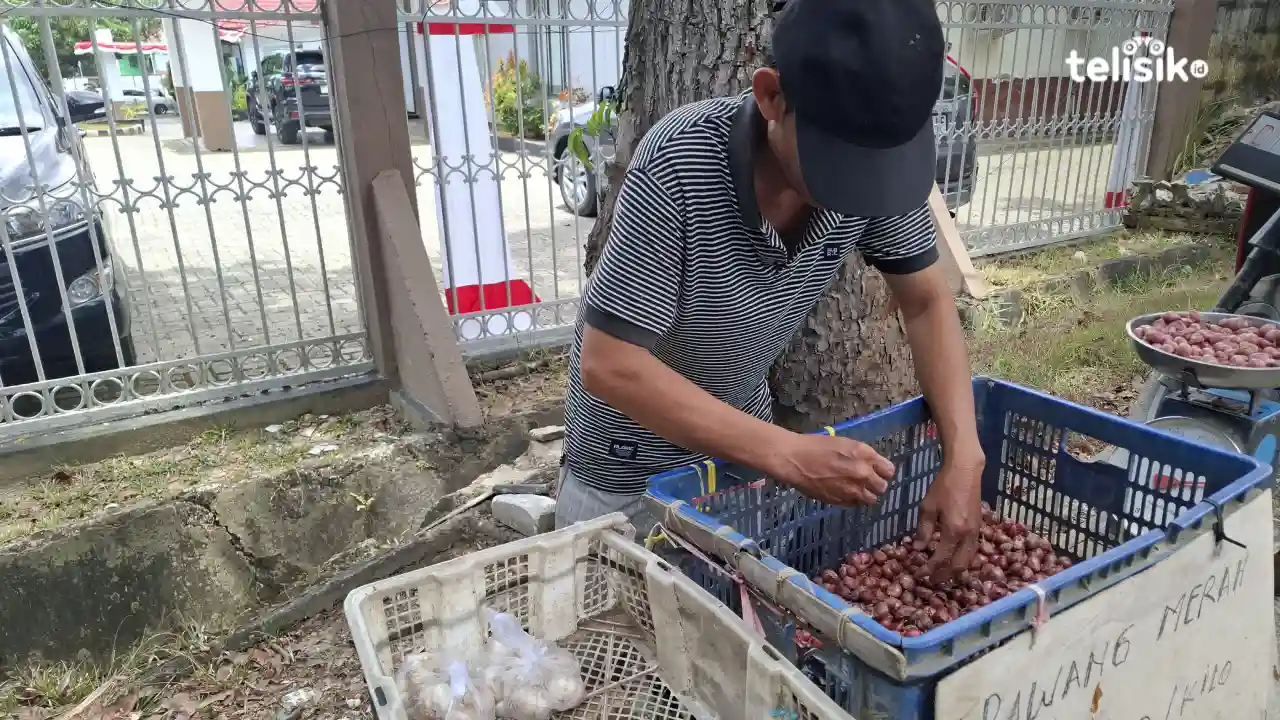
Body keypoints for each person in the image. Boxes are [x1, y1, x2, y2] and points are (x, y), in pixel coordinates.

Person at [556, 0, 986, 579]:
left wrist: (965, 456)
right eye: (841, 166)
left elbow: (928, 301)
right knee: (622, 645)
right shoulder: (682, 163)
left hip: (740, 453)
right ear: (770, 97)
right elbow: (611, 365)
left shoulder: (875, 167)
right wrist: (787, 453)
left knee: (737, 638)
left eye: (877, 170)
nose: (858, 194)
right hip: (630, 468)